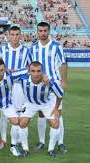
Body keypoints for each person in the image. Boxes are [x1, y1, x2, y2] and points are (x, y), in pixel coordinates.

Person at [29, 22, 68, 154]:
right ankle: (42, 141)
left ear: (49, 31)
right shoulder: (33, 47)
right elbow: (30, 66)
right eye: (40, 30)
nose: (43, 33)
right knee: (41, 113)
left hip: (54, 83)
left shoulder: (56, 46)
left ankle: (61, 142)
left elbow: (63, 63)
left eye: (45, 30)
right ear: (37, 32)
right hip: (39, 85)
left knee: (57, 113)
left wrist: (63, 80)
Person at [18, 61, 64, 157]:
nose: (36, 74)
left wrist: (56, 108)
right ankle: (25, 149)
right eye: (33, 71)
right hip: (30, 103)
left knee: (55, 123)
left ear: (42, 71)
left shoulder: (49, 81)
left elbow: (60, 95)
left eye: (39, 71)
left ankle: (51, 149)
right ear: (29, 71)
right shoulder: (23, 78)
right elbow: (8, 74)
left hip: (46, 103)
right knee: (22, 122)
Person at [0, 26, 30, 149]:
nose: (15, 37)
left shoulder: (26, 51)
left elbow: (30, 68)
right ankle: (3, 140)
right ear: (8, 36)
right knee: (4, 114)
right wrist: (5, 69)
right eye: (12, 35)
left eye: (17, 35)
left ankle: (18, 139)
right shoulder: (3, 49)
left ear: (20, 36)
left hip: (19, 86)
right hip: (5, 85)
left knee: (19, 113)